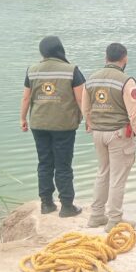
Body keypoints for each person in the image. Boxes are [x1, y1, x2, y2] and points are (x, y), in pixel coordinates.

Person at [82, 43, 136, 232]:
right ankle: (114, 220)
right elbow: (134, 115)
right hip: (118, 135)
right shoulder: (127, 82)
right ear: (125, 58)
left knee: (102, 172)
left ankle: (96, 216)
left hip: (98, 133)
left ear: (106, 58)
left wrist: (89, 122)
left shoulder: (92, 79)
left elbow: (85, 106)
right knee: (118, 178)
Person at [20, 36, 84, 217]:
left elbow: (26, 97)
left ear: (43, 52)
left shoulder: (32, 71)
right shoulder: (72, 70)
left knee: (44, 162)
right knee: (63, 165)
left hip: (38, 124)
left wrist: (22, 119)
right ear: (60, 50)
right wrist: (90, 120)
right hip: (63, 125)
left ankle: (46, 204)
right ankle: (66, 206)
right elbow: (81, 99)